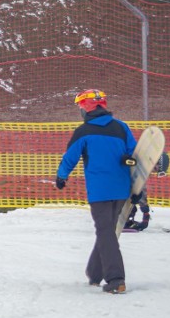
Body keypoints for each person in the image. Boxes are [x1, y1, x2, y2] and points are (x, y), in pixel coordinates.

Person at [55, 89, 138, 294]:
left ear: (86, 108)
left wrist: (61, 176)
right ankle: (95, 272)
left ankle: (115, 279)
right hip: (121, 188)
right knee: (107, 230)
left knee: (105, 232)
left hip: (99, 191)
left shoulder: (84, 131)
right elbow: (135, 153)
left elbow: (70, 157)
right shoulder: (122, 127)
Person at [122, 152, 169, 231]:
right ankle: (124, 221)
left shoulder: (143, 161)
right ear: (155, 162)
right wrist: (145, 213)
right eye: (156, 169)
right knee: (131, 201)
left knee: (132, 200)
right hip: (118, 185)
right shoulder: (142, 167)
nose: (154, 172)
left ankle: (127, 220)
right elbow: (140, 190)